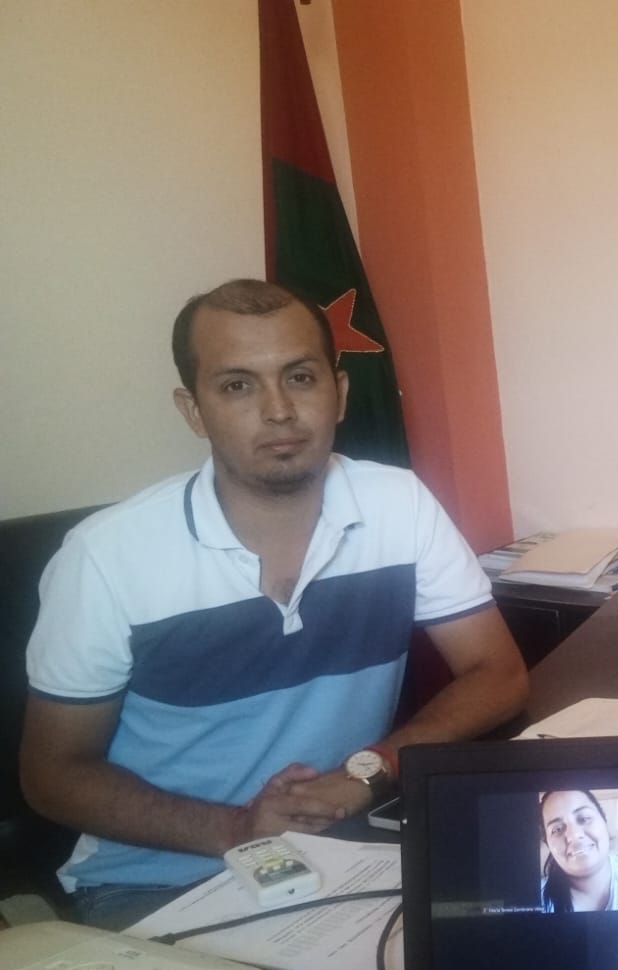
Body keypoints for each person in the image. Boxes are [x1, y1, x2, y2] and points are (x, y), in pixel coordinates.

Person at [20, 279, 529, 927]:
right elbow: (52, 774)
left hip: (347, 852)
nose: (279, 410)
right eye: (238, 385)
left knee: (513, 945)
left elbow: (498, 674)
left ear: (339, 393)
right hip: (159, 881)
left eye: (300, 377)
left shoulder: (398, 505)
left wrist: (370, 771)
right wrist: (236, 828)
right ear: (193, 410)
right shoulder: (107, 555)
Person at [537, 789, 618, 912]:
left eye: (584, 819)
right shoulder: (535, 901)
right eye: (557, 829)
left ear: (604, 821)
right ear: (548, 843)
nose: (574, 835)